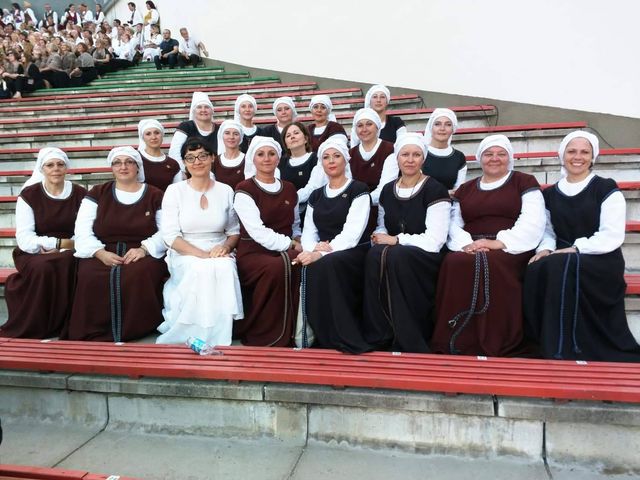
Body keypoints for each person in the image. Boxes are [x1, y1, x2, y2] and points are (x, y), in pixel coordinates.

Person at [524, 131, 640, 362]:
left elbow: (612, 235)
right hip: (562, 256)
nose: (578, 157)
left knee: (559, 265)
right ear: (562, 155)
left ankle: (566, 348)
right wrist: (545, 249)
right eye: (572, 151)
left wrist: (576, 248)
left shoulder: (606, 188)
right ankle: (546, 342)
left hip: (601, 258)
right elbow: (548, 231)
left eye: (585, 152)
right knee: (536, 267)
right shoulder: (551, 194)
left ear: (592, 157)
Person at [430, 134, 546, 356]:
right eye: (489, 154)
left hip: (511, 246)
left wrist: (499, 242)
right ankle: (454, 338)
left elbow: (533, 219)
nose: (495, 158)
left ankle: (496, 338)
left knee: (492, 263)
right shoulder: (466, 188)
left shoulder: (524, 182)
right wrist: (468, 244)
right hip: (470, 244)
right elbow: (453, 223)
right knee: (454, 262)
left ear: (509, 158)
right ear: (480, 158)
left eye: (501, 154)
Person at [65, 146, 167, 342]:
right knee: (90, 274)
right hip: (102, 249)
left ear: (138, 167)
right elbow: (82, 229)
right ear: (111, 168)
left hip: (141, 251)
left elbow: (166, 231)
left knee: (138, 274)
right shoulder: (98, 193)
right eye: (117, 163)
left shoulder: (155, 194)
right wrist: (99, 252)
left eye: (129, 162)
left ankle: (136, 328)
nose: (123, 167)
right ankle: (93, 328)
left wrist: (145, 249)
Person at [362, 133, 451, 353]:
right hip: (396, 253)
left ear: (423, 159)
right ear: (397, 158)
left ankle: (409, 335)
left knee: (396, 254)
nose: (410, 160)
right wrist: (379, 236)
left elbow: (435, 240)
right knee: (374, 254)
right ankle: (381, 333)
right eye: (405, 155)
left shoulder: (435, 189)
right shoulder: (387, 189)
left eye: (416, 155)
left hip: (425, 255)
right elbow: (383, 225)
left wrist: (396, 240)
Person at [157, 138, 243, 346]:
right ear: (184, 162)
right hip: (185, 250)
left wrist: (225, 247)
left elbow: (234, 231)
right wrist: (202, 254)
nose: (197, 162)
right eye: (190, 158)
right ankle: (193, 333)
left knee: (224, 267)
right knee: (201, 268)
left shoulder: (226, 190)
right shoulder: (174, 191)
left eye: (203, 156)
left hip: (218, 247)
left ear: (212, 158)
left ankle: (220, 335)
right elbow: (170, 236)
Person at [0, 148, 86, 339]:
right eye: (50, 165)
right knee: (43, 267)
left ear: (66, 168)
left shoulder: (80, 193)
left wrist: (66, 246)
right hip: (34, 251)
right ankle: (41, 324)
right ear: (42, 169)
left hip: (72, 247)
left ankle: (68, 322)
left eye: (60, 164)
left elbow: (85, 228)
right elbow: (25, 238)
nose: (56, 169)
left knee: (74, 262)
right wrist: (58, 243)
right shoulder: (29, 195)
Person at [297, 138, 371, 353]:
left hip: (352, 250)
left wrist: (320, 254)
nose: (331, 161)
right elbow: (309, 231)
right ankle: (320, 334)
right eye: (326, 157)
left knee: (328, 264)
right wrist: (312, 250)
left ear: (345, 160)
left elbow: (352, 234)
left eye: (336, 156)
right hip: (322, 250)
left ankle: (342, 335)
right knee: (308, 264)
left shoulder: (358, 189)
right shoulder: (316, 195)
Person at [233, 136, 302, 346]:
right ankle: (268, 332)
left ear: (278, 158)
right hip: (253, 251)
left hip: (284, 248)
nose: (266, 159)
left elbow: (295, 224)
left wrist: (299, 240)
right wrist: (291, 244)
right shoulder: (244, 189)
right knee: (279, 266)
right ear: (253, 159)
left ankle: (297, 332)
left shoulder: (289, 188)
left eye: (271, 154)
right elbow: (257, 231)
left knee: (302, 261)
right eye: (261, 154)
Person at [348, 108, 398, 236]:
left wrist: (360, 202)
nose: (364, 129)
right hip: (356, 208)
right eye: (360, 125)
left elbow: (385, 188)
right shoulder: (350, 154)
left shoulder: (390, 150)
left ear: (377, 127)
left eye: (369, 124)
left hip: (384, 206)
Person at [279, 121, 326, 222]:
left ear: (306, 139)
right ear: (286, 144)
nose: (292, 137)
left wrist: (291, 199)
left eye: (296, 133)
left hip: (314, 212)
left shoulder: (317, 159)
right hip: (286, 213)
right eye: (288, 136)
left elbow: (314, 187)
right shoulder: (280, 163)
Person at [422, 108, 467, 192]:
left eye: (448, 124)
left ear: (453, 129)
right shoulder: (419, 153)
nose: (442, 128)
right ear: (431, 127)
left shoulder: (459, 157)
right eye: (437, 124)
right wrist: (445, 193)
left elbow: (458, 190)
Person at [169, 91, 218, 166]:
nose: (203, 110)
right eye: (199, 107)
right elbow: (174, 151)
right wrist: (184, 169)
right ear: (194, 111)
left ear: (212, 110)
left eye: (207, 107)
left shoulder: (219, 129)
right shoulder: (185, 127)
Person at [137, 119, 182, 191]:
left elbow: (177, 190)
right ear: (143, 138)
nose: (153, 137)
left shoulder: (173, 164)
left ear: (162, 135)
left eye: (157, 133)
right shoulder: (135, 159)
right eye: (148, 134)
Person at [213, 119, 246, 189]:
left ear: (241, 137)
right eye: (227, 133)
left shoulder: (248, 160)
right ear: (222, 136)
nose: (231, 137)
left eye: (236, 134)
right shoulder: (215, 161)